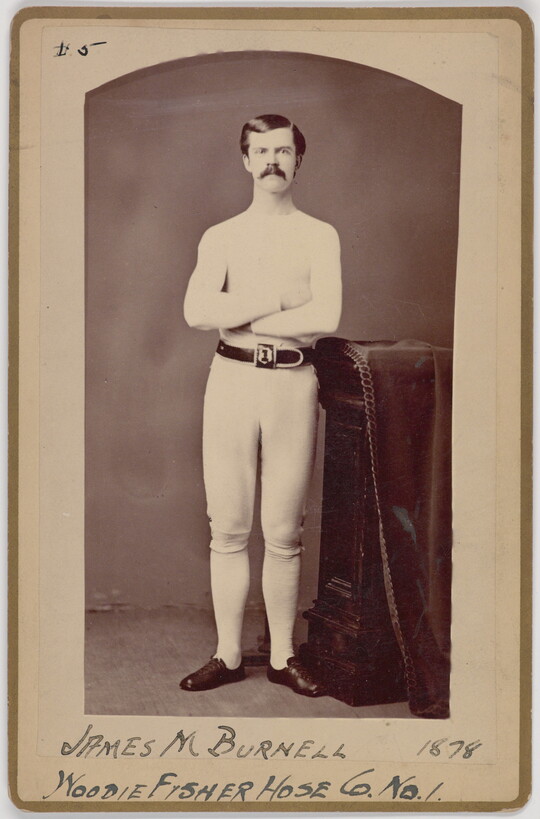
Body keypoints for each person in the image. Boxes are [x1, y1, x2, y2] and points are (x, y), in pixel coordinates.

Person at [180, 114, 342, 697]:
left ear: (299, 160)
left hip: (293, 386)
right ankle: (226, 655)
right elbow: (197, 312)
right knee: (227, 526)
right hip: (231, 381)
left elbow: (325, 318)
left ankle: (281, 656)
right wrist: (277, 299)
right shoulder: (221, 236)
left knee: (282, 530)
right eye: (261, 151)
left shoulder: (319, 234)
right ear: (245, 160)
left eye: (283, 151)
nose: (273, 160)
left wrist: (240, 310)